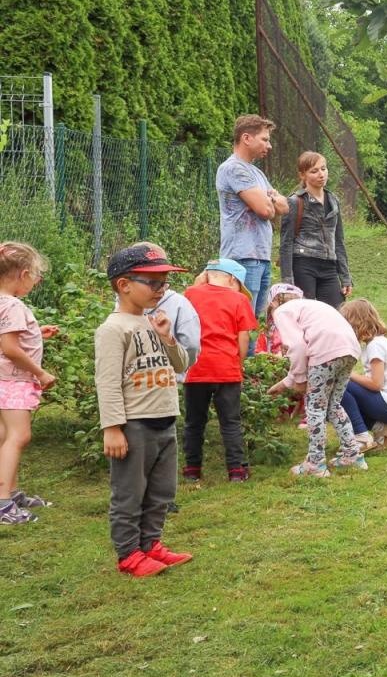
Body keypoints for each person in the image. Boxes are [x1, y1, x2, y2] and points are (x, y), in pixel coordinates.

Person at [95, 244, 193, 576]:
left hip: (165, 421)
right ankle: (128, 554)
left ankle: (151, 544)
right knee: (129, 493)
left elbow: (182, 365)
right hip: (134, 425)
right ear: (124, 285)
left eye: (164, 283)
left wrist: (167, 338)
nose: (161, 290)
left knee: (162, 491)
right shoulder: (113, 329)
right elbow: (107, 381)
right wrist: (112, 427)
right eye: (153, 283)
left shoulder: (153, 323)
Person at [263, 284, 366, 478]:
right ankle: (352, 455)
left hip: (325, 353)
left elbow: (297, 347)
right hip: (349, 351)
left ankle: (315, 463)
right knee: (333, 405)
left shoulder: (282, 311)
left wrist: (300, 379)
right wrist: (286, 383)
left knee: (315, 407)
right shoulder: (311, 306)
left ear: (274, 302)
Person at [181, 260, 257, 483]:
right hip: (226, 369)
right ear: (233, 280)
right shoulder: (239, 299)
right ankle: (236, 471)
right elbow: (243, 337)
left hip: (195, 368)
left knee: (194, 421)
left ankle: (192, 469)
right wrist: (238, 363)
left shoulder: (190, 294)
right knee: (230, 422)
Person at [0, 242, 59, 524]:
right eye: (36, 276)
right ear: (23, 274)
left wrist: (37, 334)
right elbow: (10, 349)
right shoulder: (13, 305)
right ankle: (3, 503)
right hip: (13, 381)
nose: (36, 282)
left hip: (4, 380)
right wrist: (41, 373)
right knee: (19, 436)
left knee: (5, 436)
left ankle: (10, 492)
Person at [216, 115, 288, 327]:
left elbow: (283, 207)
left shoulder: (256, 173)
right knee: (242, 323)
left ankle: (250, 360)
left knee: (254, 321)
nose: (270, 145)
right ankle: (240, 361)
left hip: (261, 256)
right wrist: (270, 199)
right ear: (246, 138)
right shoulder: (233, 168)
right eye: (264, 139)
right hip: (242, 257)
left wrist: (270, 199)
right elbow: (266, 210)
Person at [279, 151, 351, 308]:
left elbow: (339, 241)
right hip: (303, 263)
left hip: (329, 265)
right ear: (302, 175)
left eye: (323, 169)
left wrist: (345, 277)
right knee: (306, 314)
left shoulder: (334, 201)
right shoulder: (294, 202)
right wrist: (287, 281)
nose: (321, 174)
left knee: (337, 314)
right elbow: (286, 243)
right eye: (314, 171)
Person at [339, 299, 387, 451]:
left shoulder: (375, 345)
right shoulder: (374, 343)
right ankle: (381, 429)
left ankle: (361, 436)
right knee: (344, 393)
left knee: (342, 384)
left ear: (357, 323)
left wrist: (349, 374)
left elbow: (376, 384)